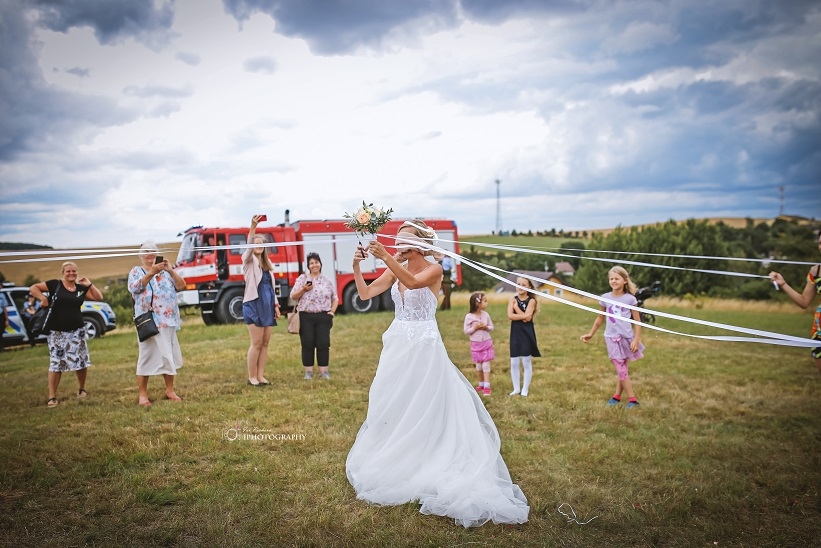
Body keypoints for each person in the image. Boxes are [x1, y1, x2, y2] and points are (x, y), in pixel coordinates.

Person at [346, 220, 529, 527]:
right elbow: (365, 294)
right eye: (397, 240)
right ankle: (398, 455)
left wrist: (386, 257)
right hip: (398, 345)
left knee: (424, 402)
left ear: (420, 244)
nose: (398, 245)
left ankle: (429, 456)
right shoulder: (396, 267)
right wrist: (356, 266)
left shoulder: (434, 270)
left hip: (424, 347)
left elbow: (413, 283)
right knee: (394, 400)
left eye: (404, 240)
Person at [30, 261, 104, 407]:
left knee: (81, 361)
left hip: (77, 330)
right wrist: (43, 298)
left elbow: (98, 297)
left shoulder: (80, 289)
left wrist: (89, 284)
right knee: (56, 363)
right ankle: (52, 396)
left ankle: (81, 389)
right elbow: (33, 288)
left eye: (74, 271)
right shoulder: (55, 285)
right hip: (57, 331)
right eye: (68, 271)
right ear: (63, 273)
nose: (71, 273)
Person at [128, 242, 187, 407]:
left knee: (169, 355)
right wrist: (151, 272)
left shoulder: (166, 272)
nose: (150, 254)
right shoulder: (136, 271)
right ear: (140, 256)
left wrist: (170, 270)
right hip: (149, 321)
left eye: (153, 251)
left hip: (168, 321)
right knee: (146, 356)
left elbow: (182, 286)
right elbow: (134, 288)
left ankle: (170, 390)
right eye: (146, 251)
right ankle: (142, 395)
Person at [580, 266, 645, 408]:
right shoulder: (605, 298)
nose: (614, 281)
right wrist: (591, 333)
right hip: (611, 338)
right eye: (611, 279)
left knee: (623, 368)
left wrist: (636, 339)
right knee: (620, 368)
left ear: (625, 281)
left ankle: (617, 397)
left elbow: (637, 321)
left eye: (617, 278)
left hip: (627, 338)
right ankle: (632, 399)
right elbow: (600, 318)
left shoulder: (630, 299)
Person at [769, 231, 821, 375]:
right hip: (819, 330)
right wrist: (783, 284)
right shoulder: (816, 271)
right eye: (820, 243)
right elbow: (804, 301)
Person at [242, 215, 281, 386]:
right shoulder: (248, 260)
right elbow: (249, 247)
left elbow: (271, 288)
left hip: (267, 306)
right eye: (255, 243)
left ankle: (260, 376)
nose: (258, 245)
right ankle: (252, 377)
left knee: (265, 343)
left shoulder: (268, 264)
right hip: (253, 305)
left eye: (261, 243)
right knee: (256, 343)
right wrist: (253, 227)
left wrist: (276, 305)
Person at [290, 251, 338, 380]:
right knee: (307, 344)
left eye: (316, 262)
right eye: (311, 263)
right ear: (308, 266)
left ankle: (324, 372)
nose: (314, 265)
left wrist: (331, 312)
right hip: (306, 316)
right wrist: (303, 289)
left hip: (323, 316)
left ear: (320, 264)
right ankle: (309, 372)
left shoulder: (326, 280)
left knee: (323, 344)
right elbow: (293, 296)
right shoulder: (302, 279)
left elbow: (335, 298)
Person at [507, 277, 541, 397]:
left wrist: (516, 308)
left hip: (526, 333)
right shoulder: (512, 299)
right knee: (514, 362)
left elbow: (528, 319)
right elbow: (510, 316)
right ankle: (516, 389)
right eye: (518, 284)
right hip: (515, 332)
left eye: (524, 285)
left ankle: (525, 389)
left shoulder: (531, 301)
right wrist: (523, 315)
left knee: (526, 361)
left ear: (529, 287)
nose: (520, 287)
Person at [464, 292, 495, 396]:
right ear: (477, 303)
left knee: (486, 365)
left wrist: (486, 327)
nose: (487, 303)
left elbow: (491, 327)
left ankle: (487, 386)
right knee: (479, 366)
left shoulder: (486, 315)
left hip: (486, 343)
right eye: (485, 301)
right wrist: (475, 328)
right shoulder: (469, 317)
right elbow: (466, 331)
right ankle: (481, 384)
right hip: (476, 345)